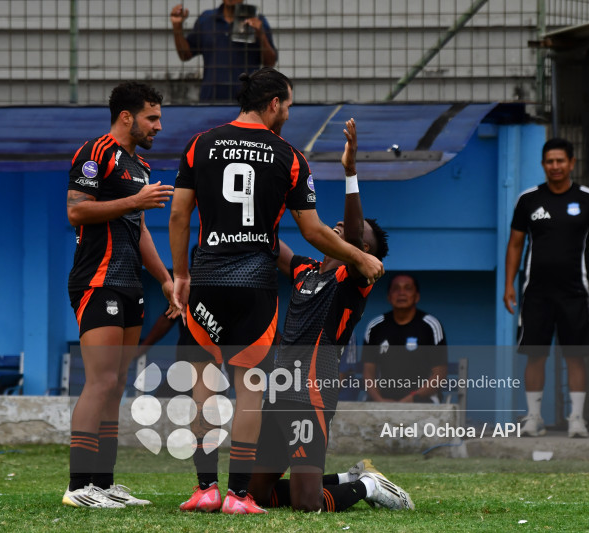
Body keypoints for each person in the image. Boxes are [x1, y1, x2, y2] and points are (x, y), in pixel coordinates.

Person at [168, 68, 384, 514]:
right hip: (254, 288)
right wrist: (353, 249)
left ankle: (206, 487)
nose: (289, 112)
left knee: (203, 385)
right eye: (288, 104)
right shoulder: (288, 159)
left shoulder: (200, 143)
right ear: (273, 104)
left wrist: (181, 275)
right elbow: (310, 231)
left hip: (211, 283)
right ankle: (238, 495)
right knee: (249, 388)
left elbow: (178, 216)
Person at [249, 118, 411, 513]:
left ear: (365, 253)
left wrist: (350, 170)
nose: (343, 228)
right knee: (254, 496)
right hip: (280, 386)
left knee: (307, 504)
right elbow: (265, 240)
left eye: (359, 238)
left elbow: (354, 240)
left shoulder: (355, 278)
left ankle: (368, 486)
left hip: (311, 390)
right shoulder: (306, 270)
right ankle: (343, 479)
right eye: (340, 226)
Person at [63, 82, 178, 508]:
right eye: (152, 117)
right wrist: (136, 200)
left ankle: (103, 484)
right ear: (127, 116)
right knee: (101, 380)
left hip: (130, 283)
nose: (159, 126)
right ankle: (78, 488)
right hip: (97, 280)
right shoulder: (95, 152)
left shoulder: (139, 167)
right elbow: (76, 209)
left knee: (118, 385)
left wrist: (165, 279)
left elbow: (140, 229)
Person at [504, 137, 589, 439]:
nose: (555, 166)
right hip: (536, 292)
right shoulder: (528, 200)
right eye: (549, 161)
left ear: (572, 163)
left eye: (560, 161)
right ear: (543, 165)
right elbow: (514, 245)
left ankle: (577, 418)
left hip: (576, 291)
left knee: (575, 355)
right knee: (535, 354)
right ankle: (534, 418)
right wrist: (509, 285)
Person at [363, 274, 448, 403]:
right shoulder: (375, 326)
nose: (401, 293)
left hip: (421, 399)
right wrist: (379, 400)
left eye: (408, 288)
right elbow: (368, 371)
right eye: (396, 289)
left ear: (417, 296)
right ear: (389, 297)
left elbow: (439, 374)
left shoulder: (430, 325)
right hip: (382, 400)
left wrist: (410, 399)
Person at [170, 1, 277, 103]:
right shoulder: (206, 20)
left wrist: (261, 35)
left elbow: (270, 62)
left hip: (247, 102)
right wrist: (177, 27)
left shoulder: (257, 21)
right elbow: (185, 55)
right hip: (211, 100)